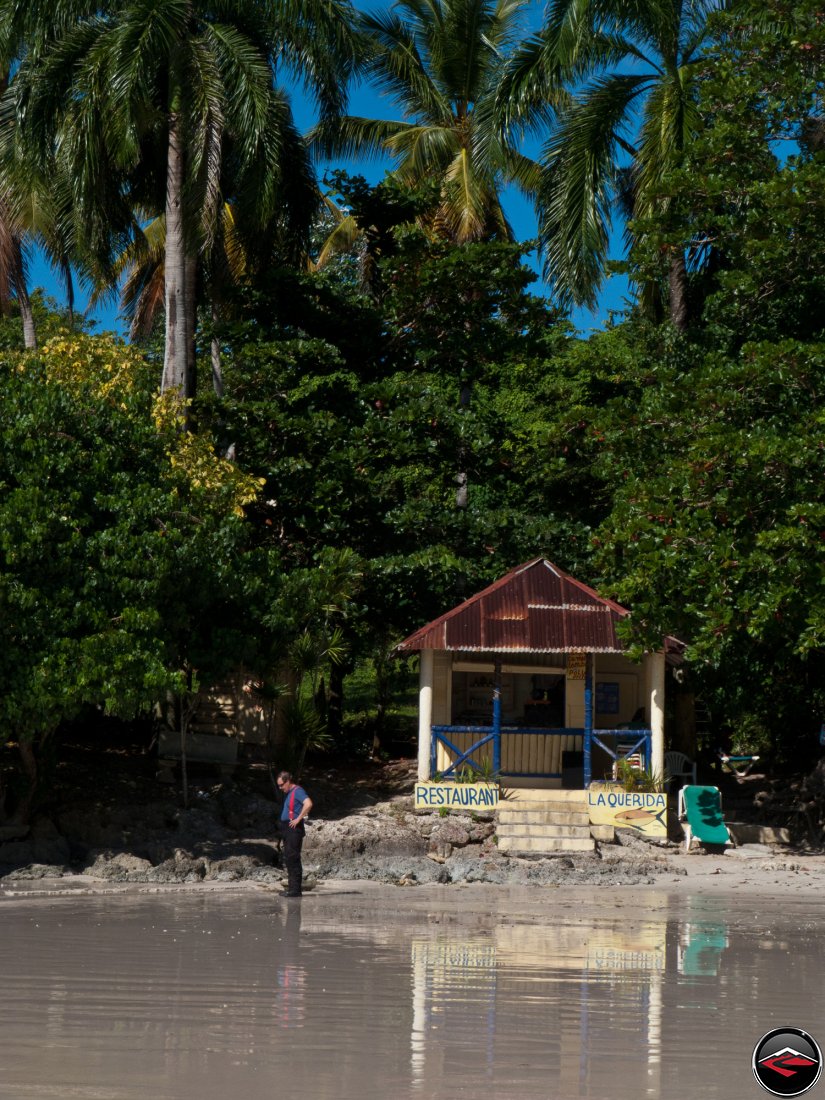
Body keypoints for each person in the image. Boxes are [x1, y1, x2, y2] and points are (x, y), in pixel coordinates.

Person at [277, 771, 312, 897]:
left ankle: (295, 890)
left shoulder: (297, 791)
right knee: (288, 858)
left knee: (293, 858)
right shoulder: (289, 793)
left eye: (281, 785)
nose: (280, 788)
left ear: (288, 781)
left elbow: (308, 803)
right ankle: (292, 888)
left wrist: (298, 819)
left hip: (294, 829)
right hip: (287, 828)